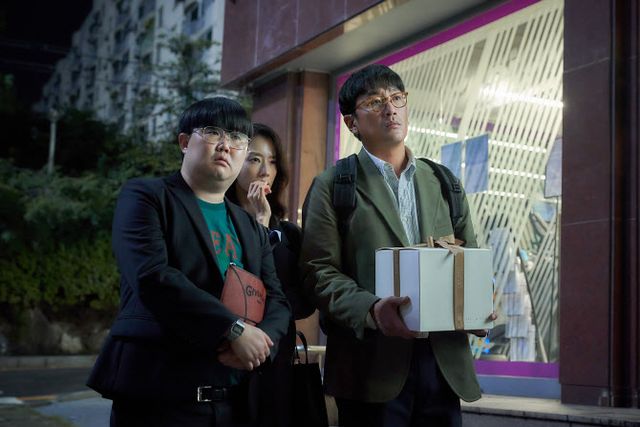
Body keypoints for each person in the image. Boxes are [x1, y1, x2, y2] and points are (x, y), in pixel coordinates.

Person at [301, 64, 493, 427]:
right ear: (352, 123)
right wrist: (372, 309)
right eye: (375, 102)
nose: (390, 108)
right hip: (370, 367)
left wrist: (478, 304)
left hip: (443, 364)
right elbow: (318, 272)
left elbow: (469, 260)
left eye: (396, 98)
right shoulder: (333, 185)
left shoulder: (445, 182)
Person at [87, 97, 291, 427]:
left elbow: (277, 298)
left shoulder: (250, 226)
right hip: (158, 396)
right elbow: (152, 276)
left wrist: (261, 344)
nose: (226, 145)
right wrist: (233, 329)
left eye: (237, 138)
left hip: (233, 402)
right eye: (213, 132)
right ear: (184, 142)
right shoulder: (147, 197)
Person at [227, 123, 316, 427]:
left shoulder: (289, 235)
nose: (265, 171)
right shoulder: (218, 225)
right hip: (228, 356)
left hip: (276, 360)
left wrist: (265, 226)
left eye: (273, 161)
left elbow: (303, 303)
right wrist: (258, 228)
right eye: (254, 159)